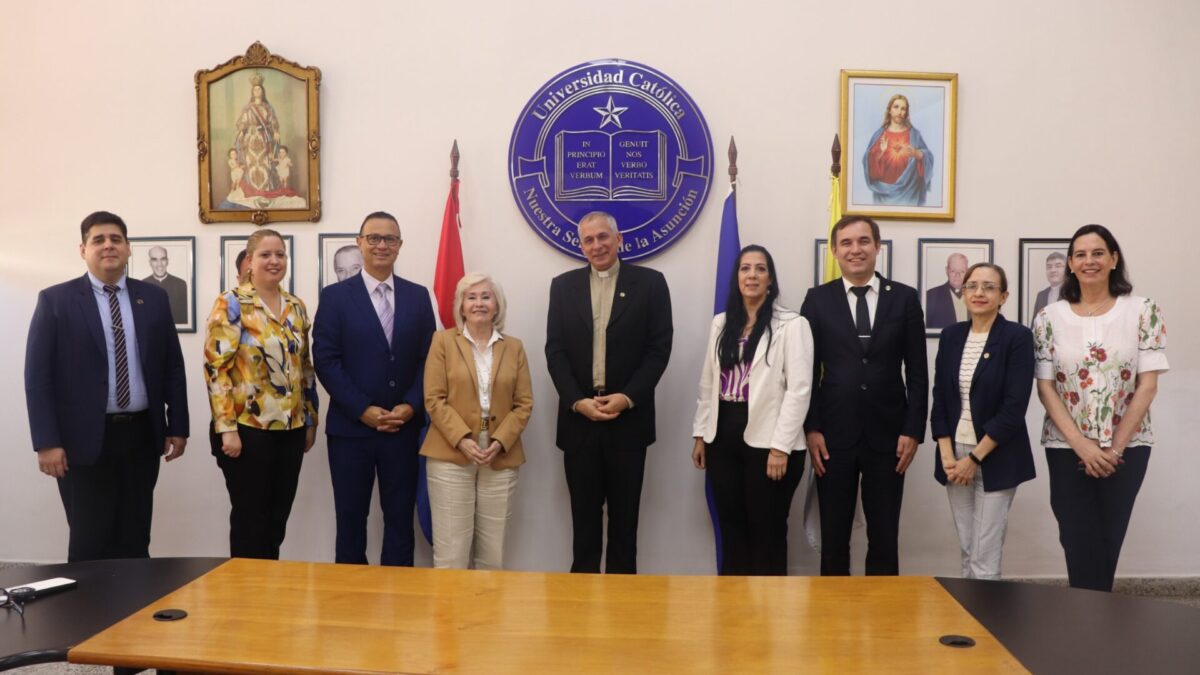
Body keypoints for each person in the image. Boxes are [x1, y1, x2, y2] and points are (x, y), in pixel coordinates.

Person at [24, 211, 189, 562]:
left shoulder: (154, 298)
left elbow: (172, 366)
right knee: (89, 542)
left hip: (142, 436)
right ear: (83, 249)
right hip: (83, 441)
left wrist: (178, 426)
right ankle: (89, 602)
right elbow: (37, 378)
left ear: (128, 248)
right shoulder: (56, 301)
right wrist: (47, 442)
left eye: (116, 239)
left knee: (135, 538)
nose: (108, 246)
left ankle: (135, 598)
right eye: (98, 240)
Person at [1033, 224, 1167, 592]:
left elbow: (1148, 385)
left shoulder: (1143, 311)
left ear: (1113, 259)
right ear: (1070, 264)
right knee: (1077, 539)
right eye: (1080, 254)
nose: (1088, 261)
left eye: (1097, 253)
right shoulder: (1048, 317)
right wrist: (1082, 445)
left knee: (1109, 538)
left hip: (1128, 447)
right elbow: (1045, 387)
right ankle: (1091, 615)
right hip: (1066, 447)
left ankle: (1094, 616)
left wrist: (1114, 448)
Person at [545, 211, 673, 574]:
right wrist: (576, 401)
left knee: (624, 526)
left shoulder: (650, 284)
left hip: (627, 422)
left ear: (619, 240)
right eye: (588, 240)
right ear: (581, 246)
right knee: (583, 526)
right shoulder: (562, 286)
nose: (597, 245)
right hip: (579, 423)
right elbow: (555, 351)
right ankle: (582, 601)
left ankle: (622, 603)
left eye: (603, 237)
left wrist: (627, 397)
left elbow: (659, 349)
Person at [801, 215, 927, 576]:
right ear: (834, 251)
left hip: (889, 436)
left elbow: (917, 372)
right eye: (846, 243)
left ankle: (883, 607)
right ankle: (833, 607)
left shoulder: (904, 298)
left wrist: (913, 430)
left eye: (863, 241)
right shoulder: (817, 299)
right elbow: (805, 371)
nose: (855, 250)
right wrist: (812, 428)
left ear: (877, 246)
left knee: (884, 537)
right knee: (834, 538)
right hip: (832, 436)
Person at [312, 212, 435, 566]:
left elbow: (430, 358)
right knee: (351, 523)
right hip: (351, 431)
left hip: (403, 429)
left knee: (400, 523)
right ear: (360, 242)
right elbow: (326, 360)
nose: (382, 245)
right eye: (374, 238)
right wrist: (362, 409)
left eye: (390, 239)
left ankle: (399, 594)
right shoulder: (335, 297)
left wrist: (411, 405)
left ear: (400, 245)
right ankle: (350, 597)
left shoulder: (418, 296)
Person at [691, 245, 813, 575]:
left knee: (766, 531)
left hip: (771, 439)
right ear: (737, 277)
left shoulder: (793, 324)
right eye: (745, 269)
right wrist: (701, 433)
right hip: (722, 434)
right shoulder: (721, 324)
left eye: (760, 269)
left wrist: (780, 447)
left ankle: (771, 605)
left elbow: (799, 391)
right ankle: (734, 603)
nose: (752, 275)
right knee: (732, 528)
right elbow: (708, 383)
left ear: (770, 279)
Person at [204, 228, 318, 560]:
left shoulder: (296, 306)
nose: (274, 261)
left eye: (280, 254)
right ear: (249, 261)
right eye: (265, 255)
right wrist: (226, 428)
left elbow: (304, 366)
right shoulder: (232, 303)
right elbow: (216, 368)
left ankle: (269, 585)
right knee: (251, 521)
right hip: (246, 429)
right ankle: (244, 587)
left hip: (291, 429)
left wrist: (310, 420)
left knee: (277, 519)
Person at [930, 263, 1035, 580]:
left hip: (995, 455)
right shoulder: (951, 336)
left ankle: (986, 611)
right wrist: (948, 456)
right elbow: (940, 397)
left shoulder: (1017, 337)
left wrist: (973, 459)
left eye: (989, 287)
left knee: (983, 555)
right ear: (963, 293)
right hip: (954, 457)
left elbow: (1013, 408)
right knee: (968, 548)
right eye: (972, 286)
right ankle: (967, 609)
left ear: (1003, 296)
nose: (979, 293)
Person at [421, 273, 533, 569]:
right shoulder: (443, 341)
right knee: (451, 556)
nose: (479, 303)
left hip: (500, 455)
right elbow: (434, 398)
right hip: (450, 454)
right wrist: (462, 439)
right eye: (471, 297)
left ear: (497, 305)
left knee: (492, 557)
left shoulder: (514, 347)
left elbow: (523, 403)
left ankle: (487, 604)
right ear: (461, 305)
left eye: (486, 297)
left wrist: (499, 441)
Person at [863, 94, 934, 206]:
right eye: (896, 107)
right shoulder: (880, 135)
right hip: (884, 195)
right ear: (889, 110)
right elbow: (870, 166)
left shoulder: (914, 135)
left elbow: (928, 157)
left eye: (903, 108)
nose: (899, 112)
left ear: (906, 113)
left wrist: (918, 154)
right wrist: (881, 152)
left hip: (910, 193)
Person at [141, 245, 188, 324]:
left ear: (167, 261)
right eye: (154, 260)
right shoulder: (142, 285)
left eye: (163, 259)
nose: (159, 264)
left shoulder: (181, 284)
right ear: (150, 263)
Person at [926, 253, 969, 330]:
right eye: (953, 271)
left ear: (967, 272)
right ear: (947, 270)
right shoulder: (930, 296)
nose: (957, 275)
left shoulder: (976, 295)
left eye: (962, 271)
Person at [1031, 251, 1067, 323]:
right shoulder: (1041, 295)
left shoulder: (1073, 293)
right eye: (1049, 267)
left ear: (1066, 269)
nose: (1053, 270)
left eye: (1058, 266)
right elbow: (1035, 324)